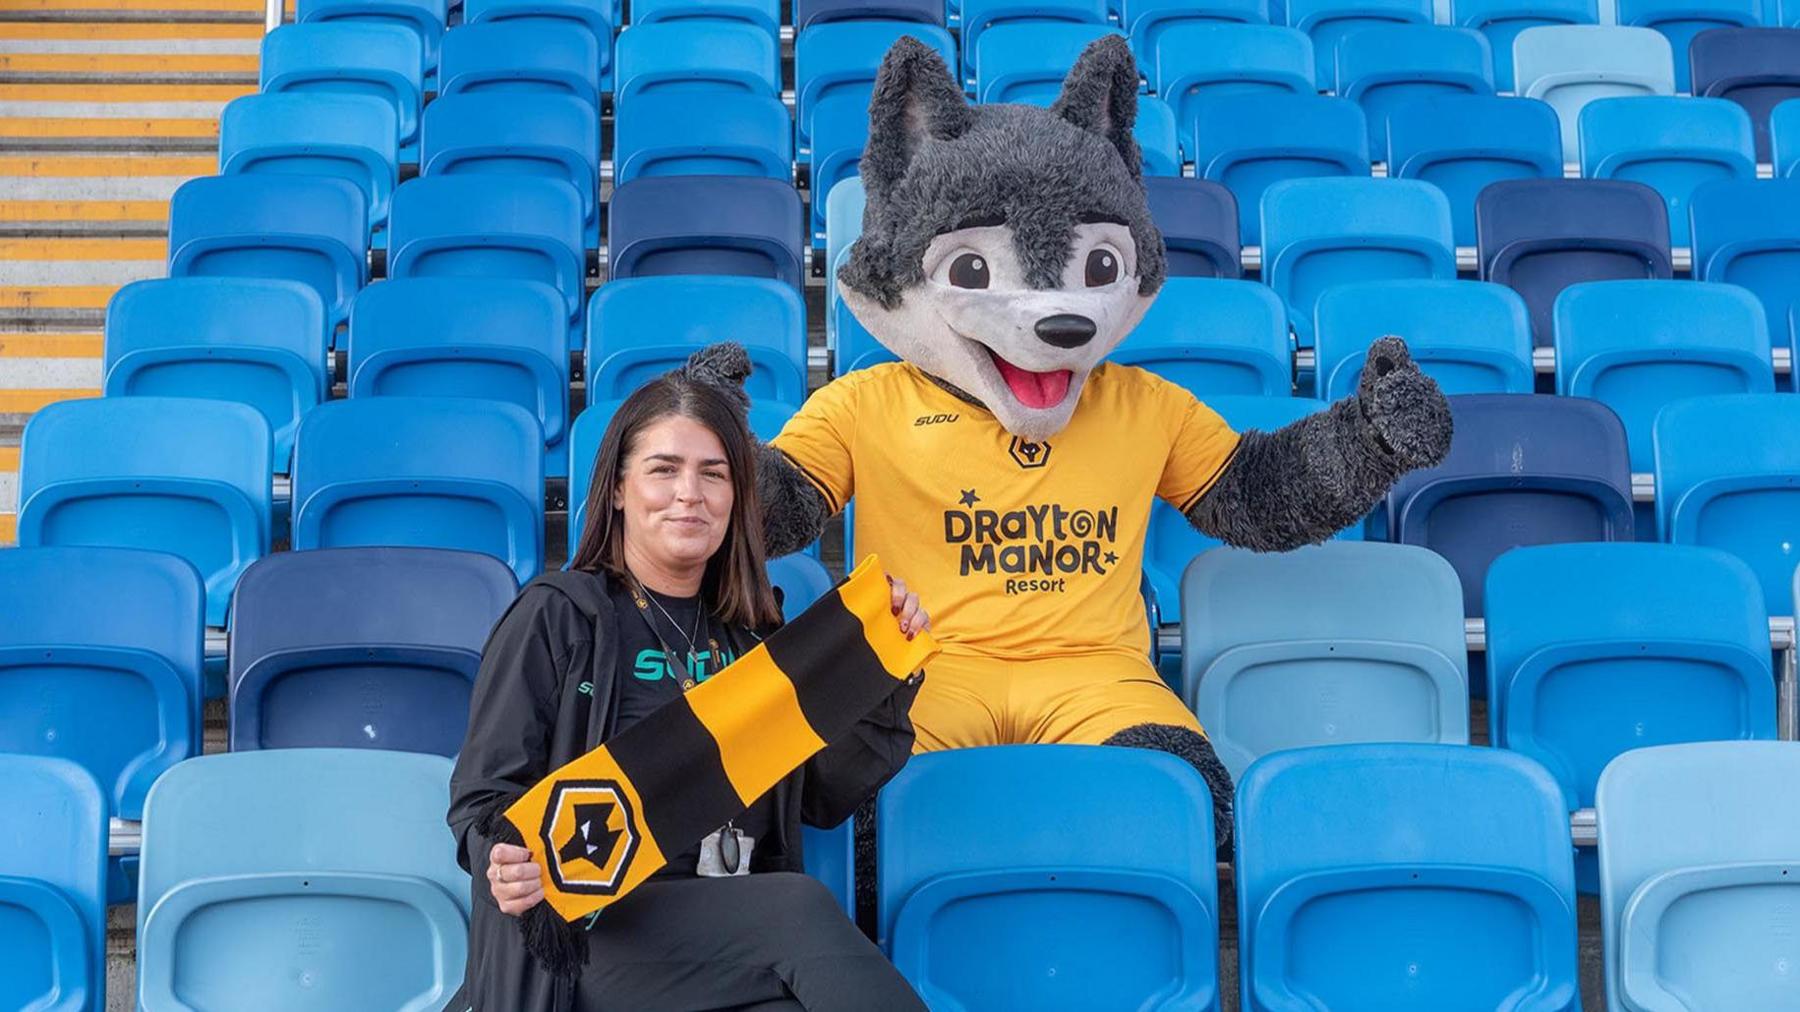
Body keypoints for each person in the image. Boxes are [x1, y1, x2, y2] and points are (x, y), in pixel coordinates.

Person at [445, 370, 931, 1011]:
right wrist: (501, 857)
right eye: (663, 470)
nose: (689, 495)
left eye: (714, 474)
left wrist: (886, 673)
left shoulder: (753, 636)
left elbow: (819, 797)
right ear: (618, 490)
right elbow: (483, 797)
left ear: (737, 497)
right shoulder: (557, 616)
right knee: (797, 907)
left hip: (723, 940)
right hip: (590, 937)